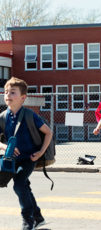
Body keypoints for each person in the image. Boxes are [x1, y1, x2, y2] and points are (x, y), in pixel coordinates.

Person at [0, 77, 53, 230]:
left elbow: (48, 133)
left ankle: (28, 220)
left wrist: (41, 152)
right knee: (23, 186)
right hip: (12, 160)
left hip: (29, 158)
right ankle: (37, 216)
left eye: (13, 92)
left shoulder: (30, 115)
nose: (8, 95)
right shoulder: (3, 117)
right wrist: (4, 147)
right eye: (6, 92)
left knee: (18, 185)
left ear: (23, 98)